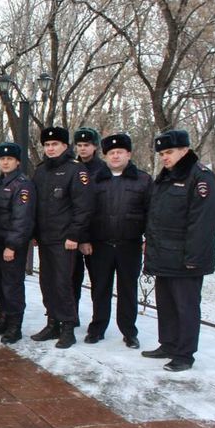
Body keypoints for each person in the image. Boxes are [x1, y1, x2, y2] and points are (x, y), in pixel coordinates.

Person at [142, 130, 215, 371]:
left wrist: (193, 259)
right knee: (166, 304)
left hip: (186, 258)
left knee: (185, 307)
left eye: (169, 152)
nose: (165, 157)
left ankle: (184, 354)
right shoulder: (165, 177)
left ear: (185, 150)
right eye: (162, 153)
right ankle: (168, 344)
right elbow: (156, 216)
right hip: (164, 254)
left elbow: (203, 223)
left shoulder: (200, 177)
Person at [80, 134, 151, 349]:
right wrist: (84, 239)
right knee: (100, 288)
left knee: (128, 290)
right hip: (100, 244)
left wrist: (149, 239)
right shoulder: (95, 180)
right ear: (105, 155)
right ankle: (97, 328)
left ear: (128, 154)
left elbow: (151, 213)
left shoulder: (143, 180)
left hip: (129, 244)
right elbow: (85, 211)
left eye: (120, 152)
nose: (116, 156)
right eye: (111, 153)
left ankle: (129, 331)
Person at [31, 126, 93, 349]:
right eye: (47, 145)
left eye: (54, 144)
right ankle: (52, 322)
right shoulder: (40, 171)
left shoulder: (76, 171)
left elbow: (83, 207)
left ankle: (68, 326)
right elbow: (36, 207)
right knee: (46, 282)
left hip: (65, 239)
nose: (50, 148)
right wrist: (35, 234)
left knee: (62, 283)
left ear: (65, 146)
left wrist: (74, 235)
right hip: (46, 238)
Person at [0, 143, 36, 344]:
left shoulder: (22, 185)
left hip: (11, 245)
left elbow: (22, 219)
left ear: (17, 162)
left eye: (9, 159)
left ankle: (15, 325)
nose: (5, 162)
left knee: (12, 286)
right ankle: (3, 318)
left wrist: (12, 245)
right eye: (2, 159)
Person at [71, 127, 106, 323]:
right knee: (72, 280)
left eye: (87, 145)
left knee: (98, 283)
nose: (83, 149)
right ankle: (71, 315)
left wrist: (87, 237)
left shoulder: (102, 170)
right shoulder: (72, 167)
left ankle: (98, 322)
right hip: (75, 233)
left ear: (95, 147)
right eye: (79, 145)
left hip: (96, 234)